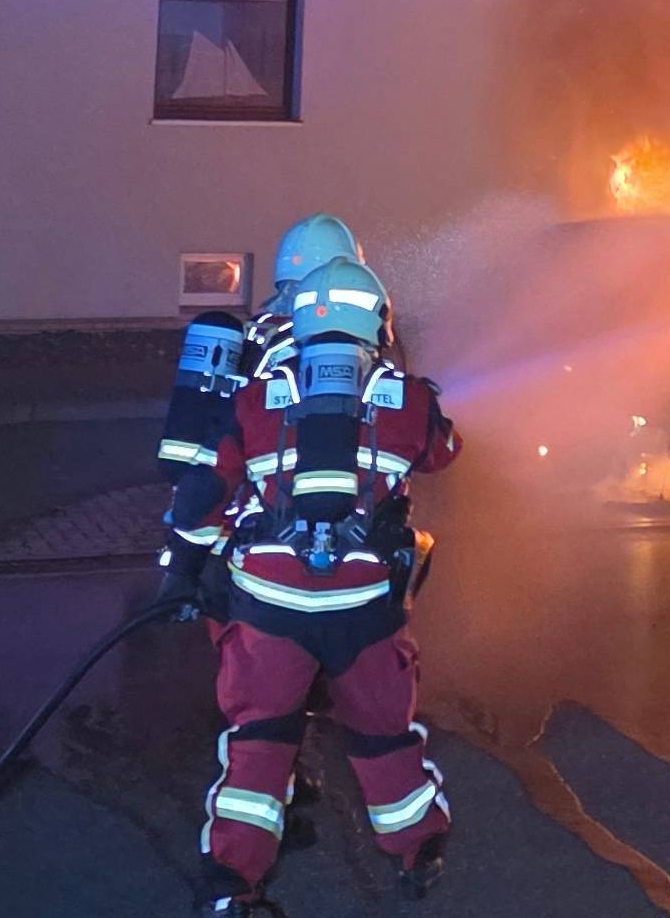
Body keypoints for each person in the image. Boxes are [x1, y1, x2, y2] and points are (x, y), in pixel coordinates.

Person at [156, 239, 460, 915]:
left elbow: (202, 492)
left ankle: (235, 879)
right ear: (378, 321)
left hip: (268, 607)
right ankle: (416, 846)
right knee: (382, 730)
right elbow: (443, 452)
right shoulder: (405, 398)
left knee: (259, 737)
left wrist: (184, 571)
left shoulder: (260, 397)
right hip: (366, 609)